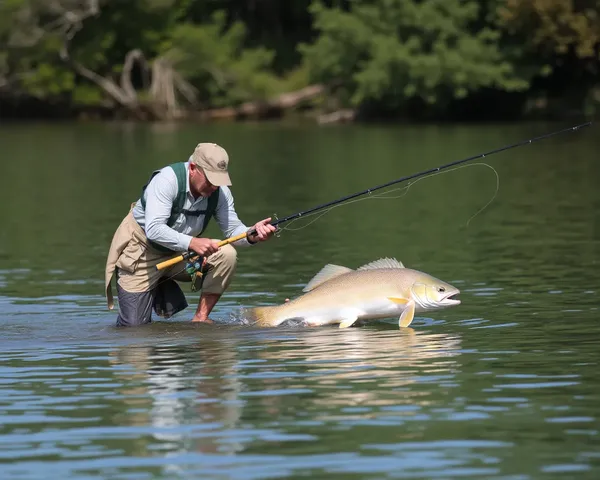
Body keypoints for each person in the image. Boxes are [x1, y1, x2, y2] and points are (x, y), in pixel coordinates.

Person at [104, 142, 276, 327]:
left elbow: (234, 231)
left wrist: (252, 234)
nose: (214, 187)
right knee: (133, 331)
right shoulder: (166, 180)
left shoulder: (220, 193)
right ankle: (155, 288)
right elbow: (154, 229)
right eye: (210, 180)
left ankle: (201, 318)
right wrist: (193, 242)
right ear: (193, 168)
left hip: (180, 255)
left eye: (219, 181)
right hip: (142, 253)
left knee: (226, 255)